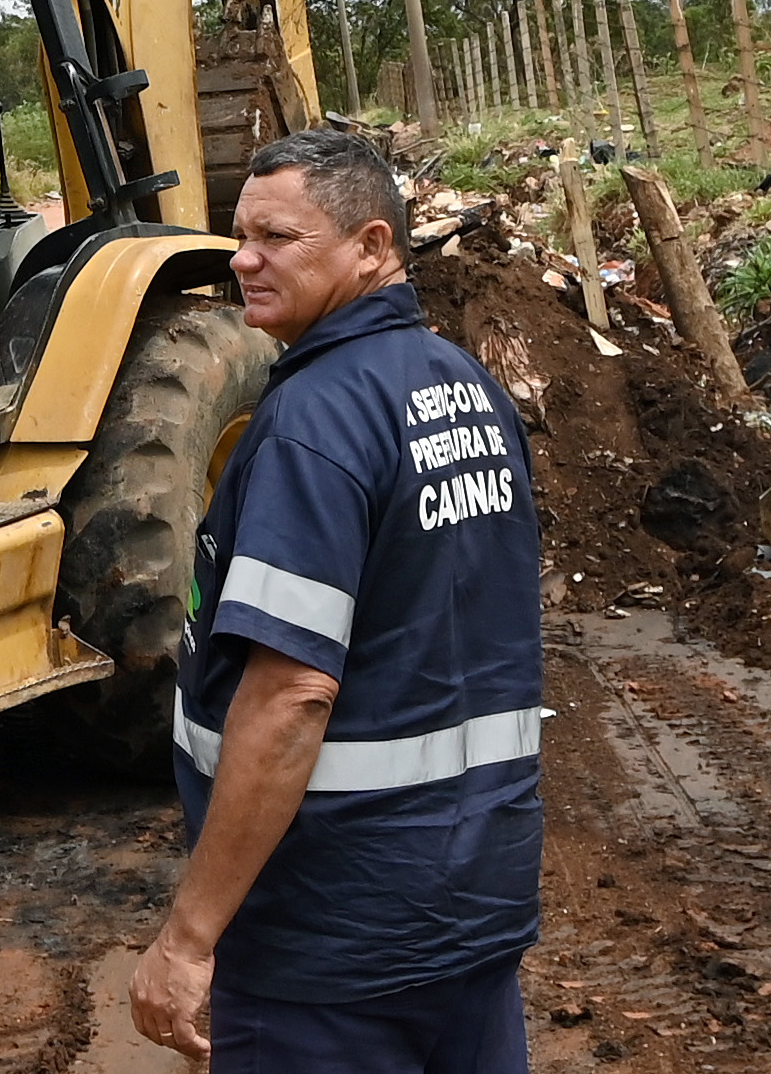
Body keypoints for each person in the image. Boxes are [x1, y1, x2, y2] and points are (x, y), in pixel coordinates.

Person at [130, 127, 542, 1072]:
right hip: (473, 905)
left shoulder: (311, 423)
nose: (243, 259)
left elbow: (290, 696)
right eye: (241, 235)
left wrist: (188, 940)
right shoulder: (467, 387)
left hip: (333, 941)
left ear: (372, 248)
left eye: (278, 237)